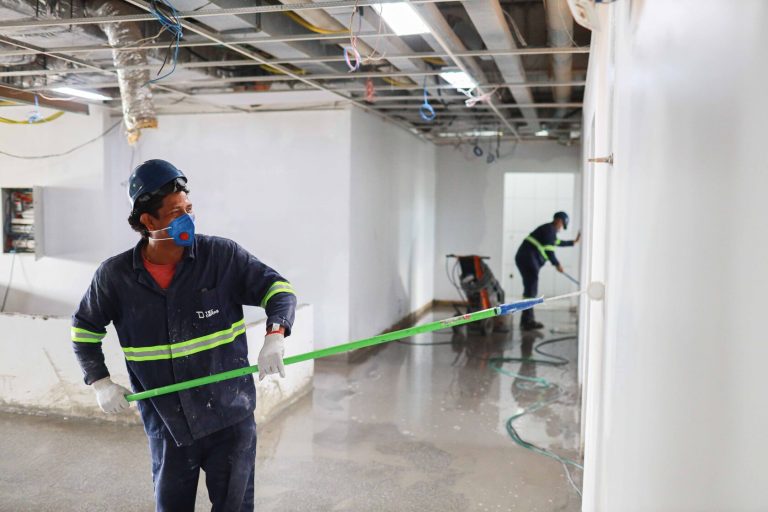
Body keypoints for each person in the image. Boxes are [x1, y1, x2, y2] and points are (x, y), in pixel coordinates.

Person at [70, 159, 297, 512]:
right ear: (149, 221)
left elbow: (278, 290)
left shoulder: (221, 257)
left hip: (230, 416)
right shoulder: (115, 277)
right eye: (176, 213)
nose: (188, 218)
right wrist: (100, 383)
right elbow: (84, 330)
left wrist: (276, 333)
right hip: (168, 423)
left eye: (189, 209)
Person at [514, 211, 580, 330]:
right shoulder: (549, 230)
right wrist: (557, 264)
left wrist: (573, 243)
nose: (561, 228)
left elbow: (558, 242)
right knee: (530, 291)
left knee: (530, 290)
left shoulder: (549, 231)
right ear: (558, 220)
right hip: (528, 259)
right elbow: (550, 251)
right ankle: (527, 321)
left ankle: (526, 320)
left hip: (526, 259)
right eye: (562, 225)